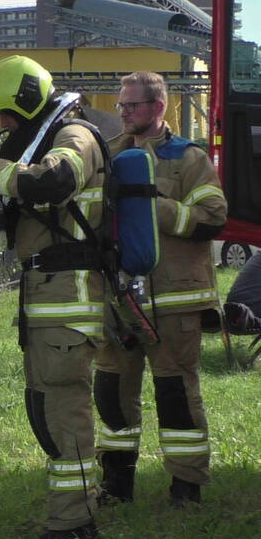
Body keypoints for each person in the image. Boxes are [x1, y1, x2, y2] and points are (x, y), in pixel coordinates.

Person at [0, 56, 107, 539]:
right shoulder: (37, 139)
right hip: (45, 295)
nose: (2, 124)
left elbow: (54, 183)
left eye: (5, 113)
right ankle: (71, 514)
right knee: (45, 405)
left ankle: (74, 522)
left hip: (68, 297)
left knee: (65, 407)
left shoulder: (76, 136)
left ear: (26, 102)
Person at [93, 72, 227, 507]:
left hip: (173, 301)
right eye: (121, 105)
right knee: (112, 394)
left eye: (132, 105)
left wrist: (153, 203)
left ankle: (186, 487)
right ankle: (116, 483)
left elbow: (212, 217)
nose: (124, 112)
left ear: (159, 107)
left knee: (175, 396)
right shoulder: (107, 156)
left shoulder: (187, 158)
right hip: (118, 301)